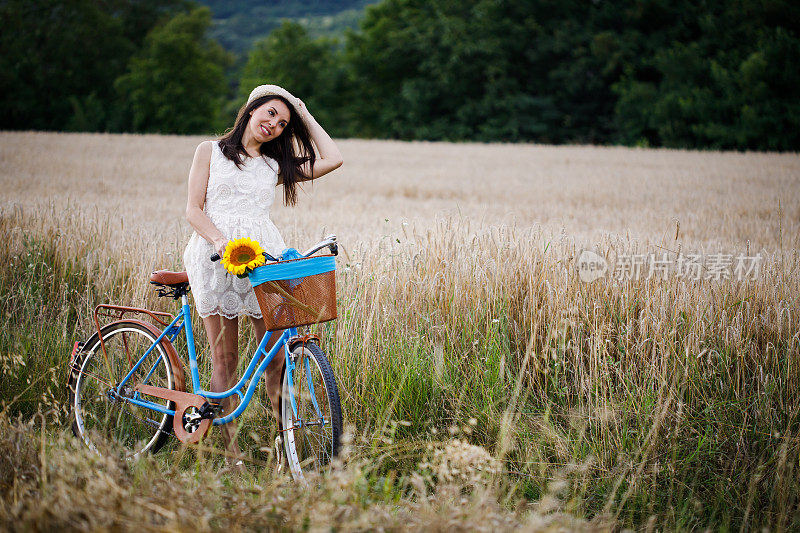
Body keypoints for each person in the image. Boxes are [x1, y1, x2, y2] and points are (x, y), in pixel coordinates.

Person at [182, 84, 343, 465]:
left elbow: (333, 159)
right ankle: (230, 453)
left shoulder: (274, 166)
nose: (274, 124)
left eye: (283, 123)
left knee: (275, 359)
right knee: (226, 360)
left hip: (264, 262)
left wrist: (303, 113)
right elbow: (193, 209)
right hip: (215, 257)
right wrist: (221, 241)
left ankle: (287, 449)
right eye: (270, 113)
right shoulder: (209, 151)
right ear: (252, 110)